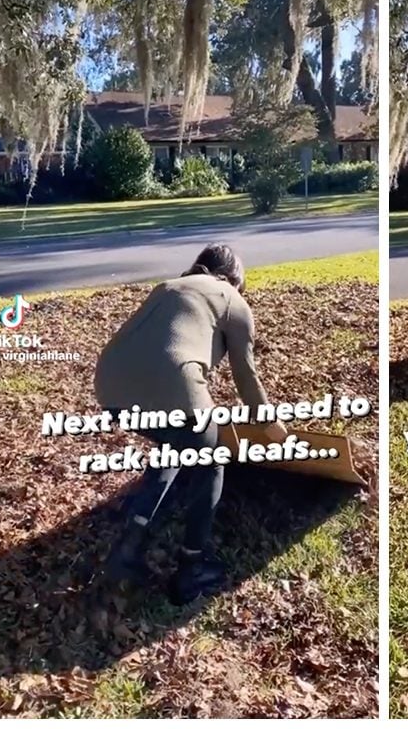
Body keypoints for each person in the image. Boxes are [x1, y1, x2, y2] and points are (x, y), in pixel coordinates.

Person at [94, 243, 288, 605]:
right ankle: (192, 567)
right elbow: (246, 378)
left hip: (109, 385)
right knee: (210, 461)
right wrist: (272, 427)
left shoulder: (169, 286)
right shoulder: (233, 300)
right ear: (234, 277)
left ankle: (129, 545)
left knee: (176, 446)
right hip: (173, 383)